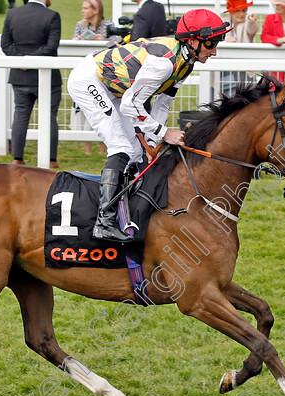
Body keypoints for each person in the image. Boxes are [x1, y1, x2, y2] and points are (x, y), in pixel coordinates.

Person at [67, 9, 231, 242]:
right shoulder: (164, 64)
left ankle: (129, 214)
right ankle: (104, 222)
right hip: (89, 80)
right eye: (211, 43)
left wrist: (152, 143)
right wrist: (164, 134)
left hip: (117, 89)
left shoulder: (187, 62)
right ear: (192, 40)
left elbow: (162, 105)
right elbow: (130, 106)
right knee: (121, 147)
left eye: (217, 43)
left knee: (136, 152)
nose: (214, 51)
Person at [1, 0, 61, 168]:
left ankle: (17, 157)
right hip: (47, 76)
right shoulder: (52, 15)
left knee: (20, 116)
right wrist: (32, 59)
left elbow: (5, 45)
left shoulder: (12, 14)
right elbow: (51, 46)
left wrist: (23, 59)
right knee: (49, 116)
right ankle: (51, 158)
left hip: (20, 75)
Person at [72, 0, 115, 155]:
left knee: (105, 107)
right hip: (84, 70)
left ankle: (103, 149)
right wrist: (77, 41)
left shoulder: (108, 25)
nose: (82, 11)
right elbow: (73, 43)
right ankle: (88, 150)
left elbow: (115, 44)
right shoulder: (80, 25)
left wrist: (101, 40)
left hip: (102, 71)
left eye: (85, 8)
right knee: (85, 109)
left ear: (95, 10)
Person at [221, 0, 258, 96]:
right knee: (227, 98)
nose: (241, 14)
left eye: (244, 10)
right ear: (231, 12)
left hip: (244, 69)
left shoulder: (247, 23)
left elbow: (252, 29)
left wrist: (251, 21)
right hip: (225, 69)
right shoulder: (223, 24)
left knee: (246, 99)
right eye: (237, 11)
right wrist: (226, 40)